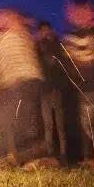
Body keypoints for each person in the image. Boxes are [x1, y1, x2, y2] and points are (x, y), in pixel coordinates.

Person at [0, 8, 47, 165]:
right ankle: (15, 156)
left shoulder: (18, 35)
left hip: (25, 81)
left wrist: (18, 21)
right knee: (10, 120)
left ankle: (32, 156)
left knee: (23, 119)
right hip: (10, 85)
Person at [60, 0, 94, 166]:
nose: (93, 14)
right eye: (87, 11)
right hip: (86, 88)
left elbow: (88, 61)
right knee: (89, 126)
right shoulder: (73, 38)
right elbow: (80, 61)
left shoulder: (93, 35)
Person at [34, 20, 69, 161]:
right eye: (42, 31)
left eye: (47, 30)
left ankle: (63, 152)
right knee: (48, 124)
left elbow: (61, 65)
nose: (45, 33)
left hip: (55, 89)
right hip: (44, 90)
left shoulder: (56, 45)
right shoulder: (38, 47)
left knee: (60, 124)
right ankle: (50, 152)